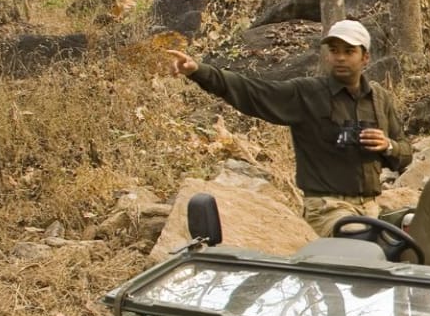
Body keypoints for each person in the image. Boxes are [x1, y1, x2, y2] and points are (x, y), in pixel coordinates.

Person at [166, 19, 412, 236]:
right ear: (327, 55)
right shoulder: (307, 93)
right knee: (358, 242)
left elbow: (405, 154)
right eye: (334, 51)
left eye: (349, 51)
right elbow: (252, 91)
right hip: (327, 208)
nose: (340, 57)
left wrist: (388, 146)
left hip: (371, 207)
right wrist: (199, 71)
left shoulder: (380, 99)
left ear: (365, 57)